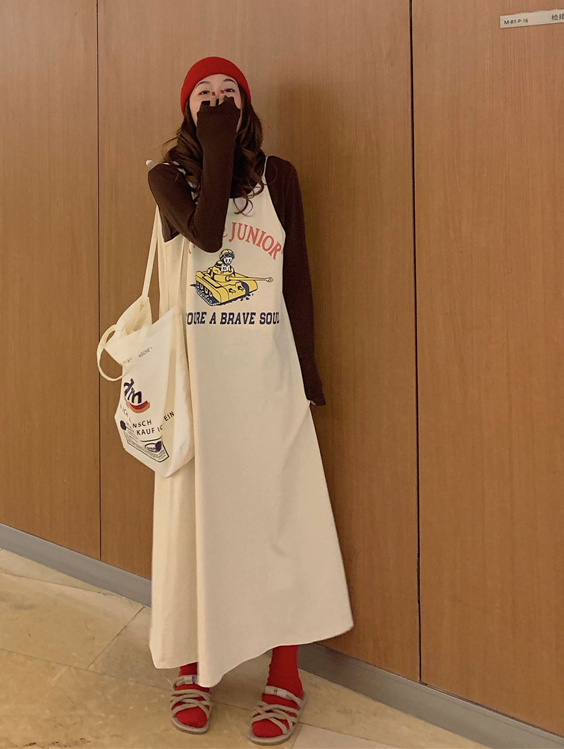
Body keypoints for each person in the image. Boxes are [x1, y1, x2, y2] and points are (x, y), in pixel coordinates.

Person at [147, 56, 353, 745]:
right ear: (188, 110)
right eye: (204, 95)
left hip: (267, 374)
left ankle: (285, 672)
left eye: (228, 93)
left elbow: (297, 277)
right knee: (198, 521)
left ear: (247, 104)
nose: (216, 101)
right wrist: (217, 147)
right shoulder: (167, 177)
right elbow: (207, 236)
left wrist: (308, 370)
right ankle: (195, 664)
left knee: (279, 521)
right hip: (199, 384)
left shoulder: (280, 177)